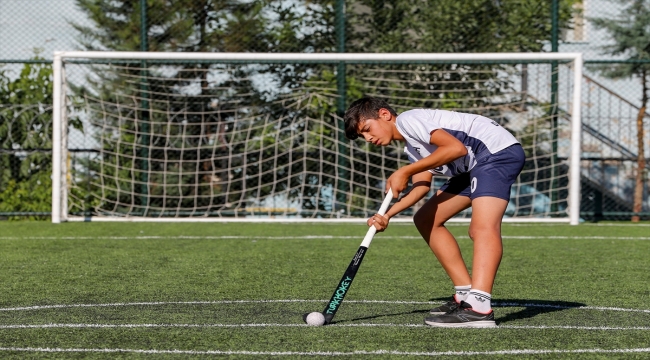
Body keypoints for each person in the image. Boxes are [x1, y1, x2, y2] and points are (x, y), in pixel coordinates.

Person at [343, 97, 525, 328]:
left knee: (481, 227)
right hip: (474, 166)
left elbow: (455, 148)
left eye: (367, 129)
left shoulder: (409, 120)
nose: (368, 138)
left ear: (385, 114)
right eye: (363, 136)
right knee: (425, 218)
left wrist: (405, 171)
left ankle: (479, 307)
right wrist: (387, 214)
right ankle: (464, 295)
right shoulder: (412, 147)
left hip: (495, 153)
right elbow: (422, 186)